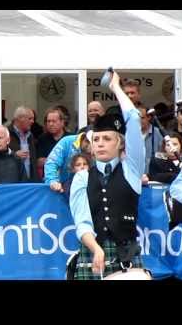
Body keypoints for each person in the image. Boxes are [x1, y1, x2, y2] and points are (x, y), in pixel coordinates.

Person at [68, 70, 145, 280]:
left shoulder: (132, 170)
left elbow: (134, 119)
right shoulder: (82, 177)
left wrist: (115, 88)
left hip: (126, 255)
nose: (100, 143)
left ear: (120, 143)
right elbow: (82, 222)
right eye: (97, 139)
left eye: (107, 139)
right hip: (93, 253)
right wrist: (96, 249)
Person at [36, 106, 72, 179]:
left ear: (62, 122)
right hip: (49, 179)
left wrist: (50, 160)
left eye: (54, 121)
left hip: (69, 179)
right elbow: (38, 162)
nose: (51, 124)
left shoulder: (70, 138)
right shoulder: (42, 139)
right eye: (48, 121)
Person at [7, 106, 40, 182]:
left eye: (33, 119)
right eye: (30, 118)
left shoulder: (30, 136)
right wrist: (14, 155)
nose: (33, 121)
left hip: (30, 182)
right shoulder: (5, 134)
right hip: (14, 183)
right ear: (19, 119)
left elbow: (33, 162)